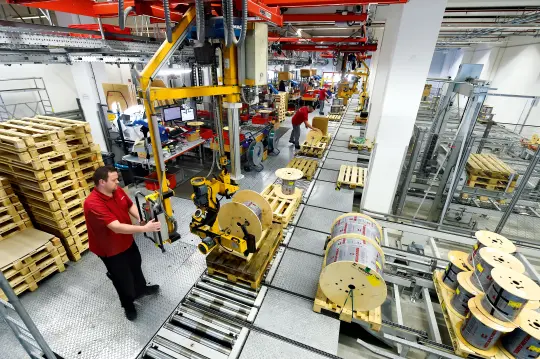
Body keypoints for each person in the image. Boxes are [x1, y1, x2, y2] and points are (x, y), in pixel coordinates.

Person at [83, 166, 162, 321]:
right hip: (110, 250)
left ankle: (141, 289)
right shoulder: (92, 204)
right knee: (122, 278)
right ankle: (128, 304)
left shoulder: (116, 190)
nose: (117, 182)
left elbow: (129, 204)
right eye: (113, 180)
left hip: (126, 240)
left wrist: (140, 218)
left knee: (136, 265)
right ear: (102, 182)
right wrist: (144, 228)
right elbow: (116, 227)